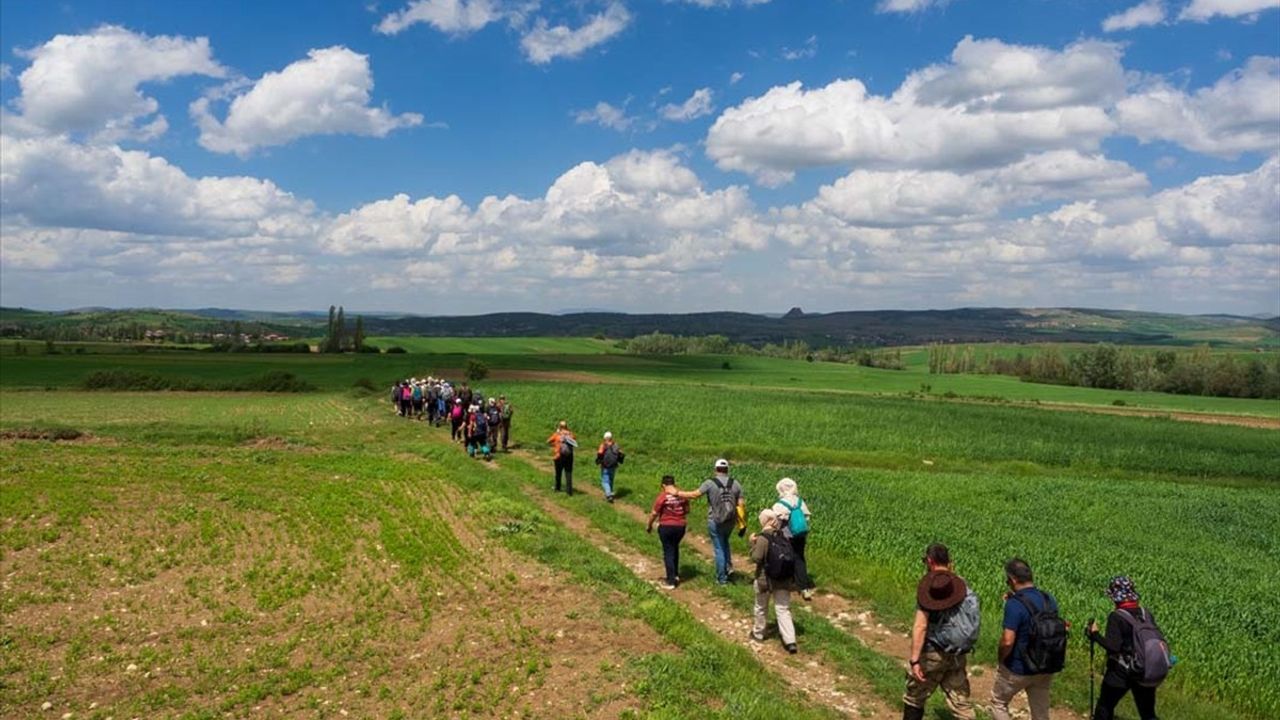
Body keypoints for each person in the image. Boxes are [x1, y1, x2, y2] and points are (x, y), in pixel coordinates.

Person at [904, 543, 979, 720]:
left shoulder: (930, 587)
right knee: (960, 703)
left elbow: (921, 626)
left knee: (915, 697)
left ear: (930, 561)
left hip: (933, 653)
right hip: (957, 654)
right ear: (949, 561)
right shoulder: (962, 585)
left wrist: (915, 660)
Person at [1086, 576, 1165, 720]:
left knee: (1105, 706)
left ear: (1116, 597)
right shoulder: (1145, 613)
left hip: (1121, 672)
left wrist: (1095, 635)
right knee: (1147, 713)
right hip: (1144, 669)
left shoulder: (1117, 617)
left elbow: (1113, 647)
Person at [991, 558, 1061, 720]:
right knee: (1041, 712)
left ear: (1013, 579)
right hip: (1045, 665)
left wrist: (1001, 660)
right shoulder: (1048, 599)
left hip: (1018, 667)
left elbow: (1008, 641)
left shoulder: (1014, 605)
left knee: (998, 702)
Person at [676, 459, 746, 585]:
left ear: (715, 469)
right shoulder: (736, 484)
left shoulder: (710, 483)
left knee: (719, 548)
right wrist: (742, 524)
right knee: (725, 542)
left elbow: (694, 495)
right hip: (730, 521)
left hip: (715, 520)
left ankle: (721, 579)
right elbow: (741, 506)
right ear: (727, 469)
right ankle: (728, 568)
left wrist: (677, 493)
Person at [748, 508, 797, 654]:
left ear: (764, 521)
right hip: (783, 579)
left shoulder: (763, 537)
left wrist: (752, 544)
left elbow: (757, 558)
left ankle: (758, 634)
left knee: (761, 607)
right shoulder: (784, 536)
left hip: (765, 579)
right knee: (783, 609)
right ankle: (790, 641)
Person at [771, 478, 814, 601]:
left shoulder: (780, 504)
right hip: (801, 534)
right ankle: (804, 587)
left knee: (786, 558)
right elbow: (806, 518)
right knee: (800, 558)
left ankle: (785, 583)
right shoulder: (800, 502)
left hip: (786, 536)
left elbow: (776, 521)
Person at [646, 475, 689, 590]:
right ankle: (675, 575)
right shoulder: (681, 496)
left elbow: (654, 513)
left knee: (668, 551)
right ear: (674, 484)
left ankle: (670, 581)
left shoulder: (663, 496)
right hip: (680, 526)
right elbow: (687, 510)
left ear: (663, 485)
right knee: (675, 548)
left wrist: (649, 525)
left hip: (666, 526)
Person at [547, 421, 577, 495]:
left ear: (560, 427)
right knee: (568, 473)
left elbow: (548, 441)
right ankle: (569, 491)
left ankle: (557, 488)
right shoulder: (571, 434)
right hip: (569, 456)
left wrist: (556, 439)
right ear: (567, 427)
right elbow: (574, 441)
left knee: (558, 472)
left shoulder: (557, 434)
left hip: (559, 455)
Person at [595, 431, 624, 503]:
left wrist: (598, 460)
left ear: (605, 438)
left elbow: (600, 453)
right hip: (614, 465)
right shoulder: (616, 445)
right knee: (611, 480)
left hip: (605, 466)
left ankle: (608, 495)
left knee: (605, 481)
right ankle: (610, 493)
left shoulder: (603, 445)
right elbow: (621, 453)